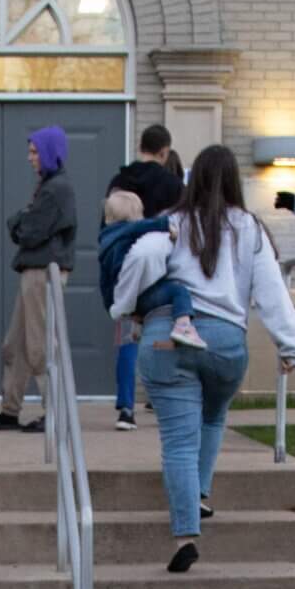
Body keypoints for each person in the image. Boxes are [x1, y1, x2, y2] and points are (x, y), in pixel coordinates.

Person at [109, 144, 295, 573]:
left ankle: (185, 535)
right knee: (214, 417)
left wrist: (123, 307)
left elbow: (140, 259)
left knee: (179, 441)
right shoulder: (250, 228)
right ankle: (200, 493)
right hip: (224, 343)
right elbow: (271, 291)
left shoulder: (171, 223)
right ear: (235, 181)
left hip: (168, 337)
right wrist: (290, 345)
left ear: (191, 179)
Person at [0, 125, 75, 434]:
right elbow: (28, 227)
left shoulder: (56, 189)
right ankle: (10, 410)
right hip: (33, 270)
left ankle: (55, 413)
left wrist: (18, 221)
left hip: (44, 271)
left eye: (34, 152)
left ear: (49, 153)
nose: (30, 158)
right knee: (15, 344)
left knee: (41, 344)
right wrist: (22, 221)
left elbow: (30, 232)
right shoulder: (48, 187)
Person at [105, 124, 185, 429]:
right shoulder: (172, 184)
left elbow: (109, 226)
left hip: (126, 270)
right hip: (160, 269)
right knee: (162, 334)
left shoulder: (118, 181)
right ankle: (164, 402)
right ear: (164, 151)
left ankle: (126, 408)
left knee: (127, 338)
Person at [99, 189, 204, 352]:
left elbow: (104, 284)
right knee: (177, 291)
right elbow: (142, 226)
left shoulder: (105, 241)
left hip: (125, 297)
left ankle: (138, 327)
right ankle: (183, 326)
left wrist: (112, 307)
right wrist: (166, 225)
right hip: (141, 293)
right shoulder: (126, 230)